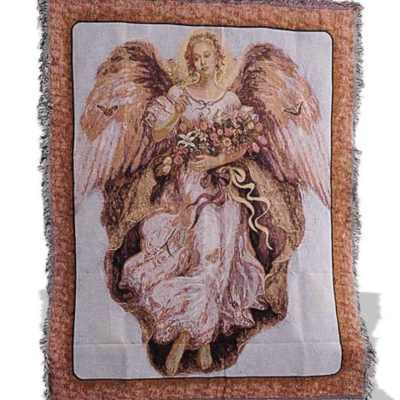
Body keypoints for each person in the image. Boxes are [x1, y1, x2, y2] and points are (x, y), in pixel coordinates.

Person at [118, 32, 273, 376]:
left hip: (222, 187)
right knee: (204, 253)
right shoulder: (178, 95)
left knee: (218, 258)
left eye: (207, 57)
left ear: (218, 60)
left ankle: (197, 337)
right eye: (196, 58)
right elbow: (157, 135)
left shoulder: (230, 101)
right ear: (190, 62)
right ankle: (192, 336)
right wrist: (174, 115)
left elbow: (241, 146)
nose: (201, 63)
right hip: (186, 189)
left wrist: (218, 160)